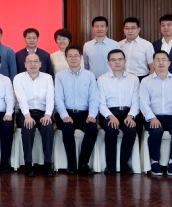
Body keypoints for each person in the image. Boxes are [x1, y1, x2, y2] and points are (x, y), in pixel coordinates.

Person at [139, 50, 172, 177]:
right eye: (157, 60)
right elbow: (143, 103)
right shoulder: (146, 81)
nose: (161, 63)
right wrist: (151, 118)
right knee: (156, 131)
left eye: (164, 60)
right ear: (153, 63)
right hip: (153, 116)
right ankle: (155, 162)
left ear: (169, 63)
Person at [55, 45, 99, 175]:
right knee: (68, 128)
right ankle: (71, 164)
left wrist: (92, 115)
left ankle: (84, 163)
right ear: (66, 58)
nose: (73, 58)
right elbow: (58, 98)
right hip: (66, 112)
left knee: (92, 129)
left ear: (81, 58)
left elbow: (94, 97)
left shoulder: (89, 75)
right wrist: (64, 115)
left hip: (85, 113)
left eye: (76, 56)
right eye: (70, 56)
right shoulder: (60, 76)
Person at [96, 49, 139, 175]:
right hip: (109, 113)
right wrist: (110, 116)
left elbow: (136, 102)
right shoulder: (102, 79)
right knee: (111, 130)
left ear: (125, 61)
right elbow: (101, 103)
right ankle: (110, 165)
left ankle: (124, 164)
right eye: (113, 60)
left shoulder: (134, 79)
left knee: (131, 131)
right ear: (108, 63)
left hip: (127, 113)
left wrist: (131, 115)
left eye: (120, 59)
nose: (117, 62)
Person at [13, 53, 55, 177]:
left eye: (35, 61)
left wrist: (48, 115)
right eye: (29, 62)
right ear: (25, 64)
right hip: (25, 112)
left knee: (48, 127)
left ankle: (48, 163)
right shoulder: (18, 78)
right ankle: (28, 163)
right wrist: (27, 115)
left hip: (43, 112)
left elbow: (50, 97)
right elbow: (21, 99)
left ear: (40, 64)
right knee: (28, 127)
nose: (33, 64)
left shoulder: (47, 78)